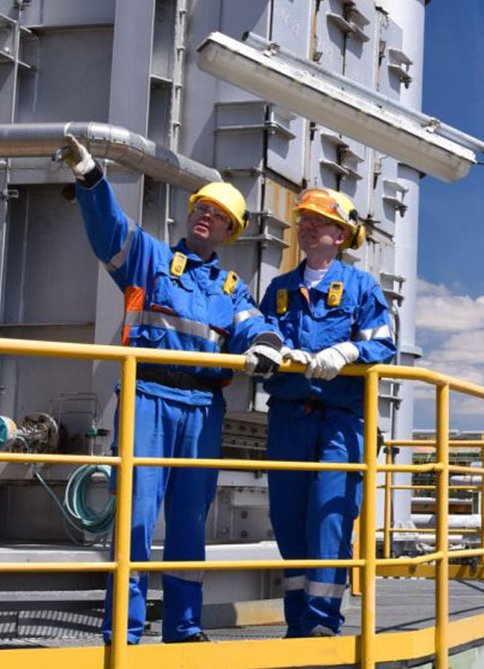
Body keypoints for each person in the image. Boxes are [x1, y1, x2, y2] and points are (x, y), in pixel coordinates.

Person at [57, 135, 288, 644]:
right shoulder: (150, 259)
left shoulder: (231, 289)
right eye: (201, 208)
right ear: (190, 215)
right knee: (136, 519)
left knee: (189, 522)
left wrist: (268, 344)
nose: (207, 217)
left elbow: (254, 325)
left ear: (229, 231)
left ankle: (183, 627)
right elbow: (109, 230)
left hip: (203, 409)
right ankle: (125, 631)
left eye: (218, 215)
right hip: (148, 399)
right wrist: (91, 177)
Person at [258, 188, 398, 637]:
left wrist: (348, 350)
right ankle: (297, 623)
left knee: (329, 519)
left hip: (341, 420)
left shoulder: (361, 286)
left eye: (318, 221)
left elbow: (383, 343)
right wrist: (269, 349)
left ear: (340, 235)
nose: (307, 227)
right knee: (287, 519)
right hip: (288, 417)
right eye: (304, 220)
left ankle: (322, 623)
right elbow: (264, 334)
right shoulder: (280, 290)